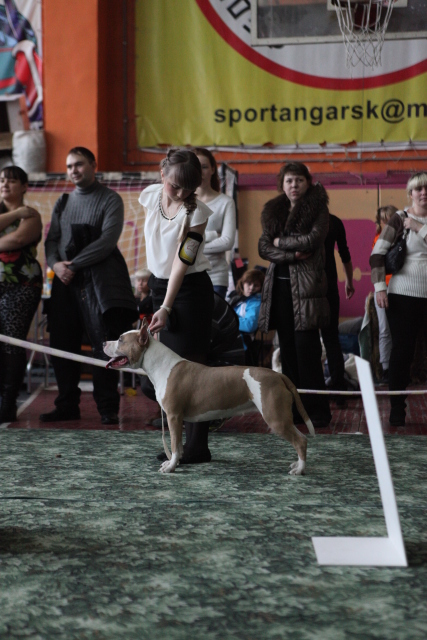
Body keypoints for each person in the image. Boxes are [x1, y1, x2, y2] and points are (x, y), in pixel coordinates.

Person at [40, 147, 138, 425]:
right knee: (62, 343)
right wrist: (56, 265)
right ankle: (66, 405)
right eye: (69, 166)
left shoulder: (111, 199)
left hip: (100, 284)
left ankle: (107, 407)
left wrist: (72, 265)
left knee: (103, 344)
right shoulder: (62, 201)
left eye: (79, 164)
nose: (74, 170)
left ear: (94, 165)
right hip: (64, 281)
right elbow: (51, 240)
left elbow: (107, 242)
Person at [138, 148, 214, 463]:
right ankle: (178, 444)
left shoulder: (198, 213)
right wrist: (147, 281)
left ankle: (197, 446)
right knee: (161, 372)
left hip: (189, 291)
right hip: (159, 286)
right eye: (175, 186)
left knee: (191, 370)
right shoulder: (149, 196)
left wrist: (166, 307)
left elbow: (183, 262)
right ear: (162, 175)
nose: (182, 193)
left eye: (189, 188)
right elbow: (154, 244)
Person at [258, 161, 331, 428]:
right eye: (289, 180)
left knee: (307, 352)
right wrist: (289, 254)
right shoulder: (274, 210)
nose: (294, 185)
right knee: (287, 351)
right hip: (279, 289)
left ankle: (318, 411)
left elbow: (312, 241)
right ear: (282, 184)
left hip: (306, 291)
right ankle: (294, 411)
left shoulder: (318, 208)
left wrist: (279, 242)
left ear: (307, 182)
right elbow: (263, 246)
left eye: (299, 180)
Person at [370, 172, 427, 427]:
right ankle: (396, 409)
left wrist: (419, 228)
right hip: (403, 294)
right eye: (418, 189)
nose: (423, 193)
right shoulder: (399, 218)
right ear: (410, 194)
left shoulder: (413, 223)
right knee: (402, 353)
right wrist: (380, 287)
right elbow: (377, 255)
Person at [0, 165, 42, 422]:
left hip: (22, 286)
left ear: (25, 186)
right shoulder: (20, 213)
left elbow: (16, 241)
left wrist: (19, 214)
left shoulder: (32, 215)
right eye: (2, 180)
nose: (5, 184)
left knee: (11, 342)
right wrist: (15, 213)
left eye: (12, 181)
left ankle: (7, 403)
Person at [193, 147, 236, 299]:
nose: (200, 172)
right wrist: (212, 235)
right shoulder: (182, 202)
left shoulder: (226, 202)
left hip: (216, 276)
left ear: (212, 169)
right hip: (186, 275)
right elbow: (178, 239)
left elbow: (227, 242)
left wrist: (191, 247)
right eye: (196, 167)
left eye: (204, 167)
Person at [321, 213, 355, 405]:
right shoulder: (333, 221)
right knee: (332, 339)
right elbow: (345, 254)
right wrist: (349, 281)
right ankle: (339, 392)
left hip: (307, 287)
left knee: (309, 340)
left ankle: (314, 391)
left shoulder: (303, 220)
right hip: (329, 286)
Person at [371, 205, 397, 382]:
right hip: (383, 288)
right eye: (384, 221)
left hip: (401, 287)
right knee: (384, 329)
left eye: (391, 220)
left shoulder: (404, 237)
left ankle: (399, 366)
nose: (388, 225)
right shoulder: (378, 240)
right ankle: (386, 368)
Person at [228, 268, 265, 365]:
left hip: (242, 346)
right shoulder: (235, 298)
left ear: (261, 287)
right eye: (249, 284)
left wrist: (229, 320)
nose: (251, 288)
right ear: (243, 283)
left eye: (256, 285)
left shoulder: (256, 301)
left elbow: (250, 325)